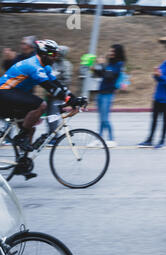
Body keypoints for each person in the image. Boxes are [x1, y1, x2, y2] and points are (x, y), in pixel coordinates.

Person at [0, 39, 81, 179]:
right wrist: (69, 100)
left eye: (55, 54)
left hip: (13, 96)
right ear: (43, 54)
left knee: (30, 128)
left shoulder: (45, 67)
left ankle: (22, 164)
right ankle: (20, 138)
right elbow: (50, 88)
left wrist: (75, 98)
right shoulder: (33, 65)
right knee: (41, 105)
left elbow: (58, 85)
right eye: (52, 54)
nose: (54, 57)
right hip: (4, 93)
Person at [92, 44, 126, 147]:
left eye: (113, 52)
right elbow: (102, 74)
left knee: (105, 118)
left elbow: (110, 76)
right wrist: (94, 69)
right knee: (101, 118)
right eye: (110, 51)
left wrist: (102, 65)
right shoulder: (110, 64)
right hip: (101, 93)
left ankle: (111, 140)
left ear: (117, 53)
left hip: (108, 94)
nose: (110, 53)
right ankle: (99, 139)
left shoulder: (119, 64)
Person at [45, 45, 73, 144]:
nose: (56, 55)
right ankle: (49, 134)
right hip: (49, 94)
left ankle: (54, 137)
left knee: (53, 116)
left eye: (58, 54)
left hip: (58, 96)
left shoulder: (66, 65)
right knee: (48, 117)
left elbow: (67, 81)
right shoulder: (51, 64)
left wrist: (60, 92)